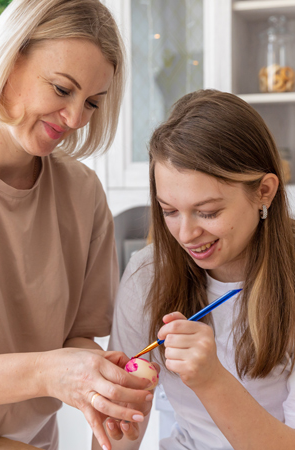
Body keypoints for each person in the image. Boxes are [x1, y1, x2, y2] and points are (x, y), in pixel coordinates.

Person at [0, 1, 155, 450]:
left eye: (90, 102)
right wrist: (50, 371)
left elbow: (77, 336)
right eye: (62, 89)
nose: (75, 119)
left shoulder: (82, 193)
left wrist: (106, 380)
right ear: (10, 58)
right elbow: (54, 364)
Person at [106, 89, 295, 449]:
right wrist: (117, 428)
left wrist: (211, 381)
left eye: (208, 212)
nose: (187, 234)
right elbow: (118, 436)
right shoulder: (147, 275)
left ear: (265, 192)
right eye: (169, 211)